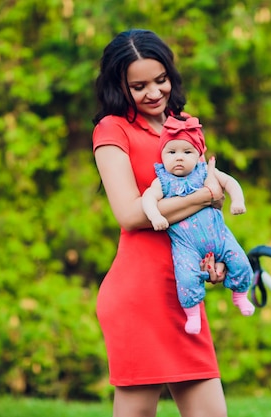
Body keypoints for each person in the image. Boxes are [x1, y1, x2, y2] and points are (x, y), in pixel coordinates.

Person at [92, 29, 229, 417]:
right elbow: (132, 214)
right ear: (120, 86)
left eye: (160, 80)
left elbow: (205, 214)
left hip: (184, 293)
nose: (153, 93)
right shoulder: (112, 129)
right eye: (139, 86)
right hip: (139, 295)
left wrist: (213, 258)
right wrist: (205, 195)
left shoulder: (185, 125)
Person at [142, 115, 254, 334]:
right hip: (186, 246)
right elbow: (148, 198)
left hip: (220, 237)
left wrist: (237, 200)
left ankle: (240, 295)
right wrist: (155, 216)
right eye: (171, 152)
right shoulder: (163, 181)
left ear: (198, 154)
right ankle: (192, 314)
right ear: (162, 154)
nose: (179, 158)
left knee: (241, 261)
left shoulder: (204, 172)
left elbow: (230, 182)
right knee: (185, 277)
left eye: (187, 152)